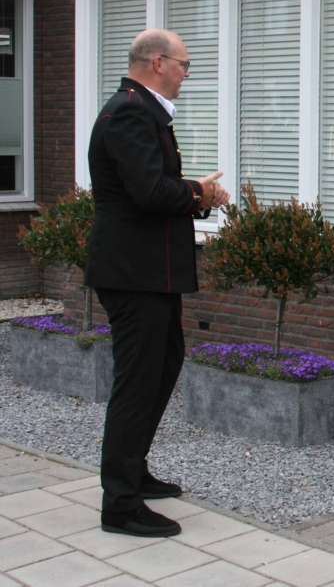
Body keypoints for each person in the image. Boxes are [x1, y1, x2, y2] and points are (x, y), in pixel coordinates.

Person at [86, 29, 229, 537]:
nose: (187, 74)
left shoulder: (143, 111)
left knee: (164, 363)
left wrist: (195, 194)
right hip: (134, 273)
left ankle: (134, 471)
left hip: (150, 272)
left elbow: (150, 187)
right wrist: (199, 192)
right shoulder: (130, 112)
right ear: (158, 63)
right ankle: (120, 505)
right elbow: (148, 191)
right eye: (184, 65)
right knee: (138, 380)